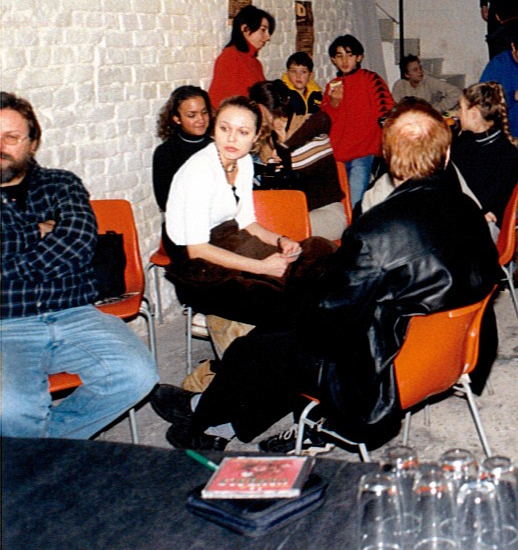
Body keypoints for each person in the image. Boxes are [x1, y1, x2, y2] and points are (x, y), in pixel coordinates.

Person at [151, 101, 501, 451]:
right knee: (280, 337)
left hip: (382, 372)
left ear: (388, 157)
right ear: (446, 153)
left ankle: (201, 417)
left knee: (260, 347)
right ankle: (227, 421)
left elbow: (327, 328)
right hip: (447, 355)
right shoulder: (468, 210)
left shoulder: (375, 231)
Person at [1, 91, 158, 439]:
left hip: (75, 313)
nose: (1, 146)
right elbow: (64, 248)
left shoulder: (61, 183)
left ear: (33, 142)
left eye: (11, 137)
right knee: (11, 408)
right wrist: (37, 231)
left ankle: (46, 449)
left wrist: (9, 259)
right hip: (6, 323)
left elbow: (78, 241)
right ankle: (38, 457)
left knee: (137, 375)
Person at [164, 96, 335, 330]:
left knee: (319, 250)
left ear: (255, 137)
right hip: (197, 264)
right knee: (281, 298)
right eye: (225, 129)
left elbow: (247, 222)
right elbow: (197, 249)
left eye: (243, 132)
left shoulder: (243, 161)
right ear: (214, 129)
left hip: (230, 239)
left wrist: (282, 241)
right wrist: (262, 267)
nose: (231, 139)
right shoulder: (199, 171)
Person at [248, 81, 348, 242]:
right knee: (264, 233)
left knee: (281, 232)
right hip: (294, 216)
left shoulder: (308, 125)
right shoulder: (267, 144)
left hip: (328, 214)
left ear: (260, 108)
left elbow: (323, 119)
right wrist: (272, 170)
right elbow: (277, 191)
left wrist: (285, 148)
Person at [322, 34, 396, 208]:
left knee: (355, 201)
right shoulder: (332, 86)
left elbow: (386, 110)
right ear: (333, 60)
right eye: (339, 56)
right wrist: (334, 103)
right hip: (338, 154)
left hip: (362, 152)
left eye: (349, 55)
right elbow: (325, 121)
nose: (345, 61)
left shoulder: (371, 79)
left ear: (359, 57)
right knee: (341, 204)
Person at [451, 82, 518, 226]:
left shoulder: (504, 154)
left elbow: (489, 204)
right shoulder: (464, 141)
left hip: (484, 223)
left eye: (460, 108)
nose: (457, 114)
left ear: (474, 113)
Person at [152, 85, 212, 213]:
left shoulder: (218, 146)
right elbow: (164, 201)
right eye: (192, 115)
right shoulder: (166, 152)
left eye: (204, 112)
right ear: (177, 119)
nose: (201, 120)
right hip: (183, 218)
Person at [208, 5, 275, 109]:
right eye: (263, 30)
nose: (268, 37)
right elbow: (224, 102)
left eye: (268, 31)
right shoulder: (230, 57)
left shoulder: (255, 63)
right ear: (245, 29)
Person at [391, 55, 462, 114]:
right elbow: (395, 106)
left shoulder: (429, 81)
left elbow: (455, 92)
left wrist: (437, 109)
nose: (420, 71)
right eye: (415, 70)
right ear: (407, 75)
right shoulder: (399, 85)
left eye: (420, 68)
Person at [280, 51, 323, 120]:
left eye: (303, 72)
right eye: (293, 71)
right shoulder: (282, 94)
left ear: (311, 75)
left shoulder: (316, 95)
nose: (298, 76)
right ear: (288, 74)